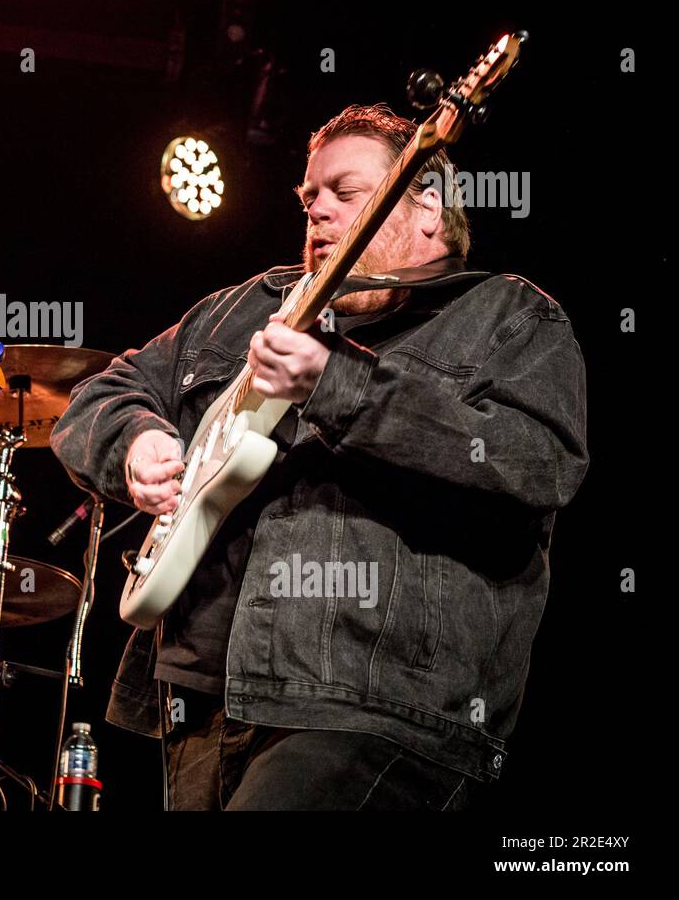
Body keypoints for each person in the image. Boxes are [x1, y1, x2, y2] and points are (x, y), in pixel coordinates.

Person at [50, 103, 589, 810]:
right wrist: (136, 442)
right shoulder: (239, 308)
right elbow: (97, 396)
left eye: (345, 193)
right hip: (202, 701)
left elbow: (539, 462)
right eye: (310, 200)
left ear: (426, 204)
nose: (319, 213)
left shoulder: (507, 316)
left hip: (377, 706)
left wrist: (335, 383)